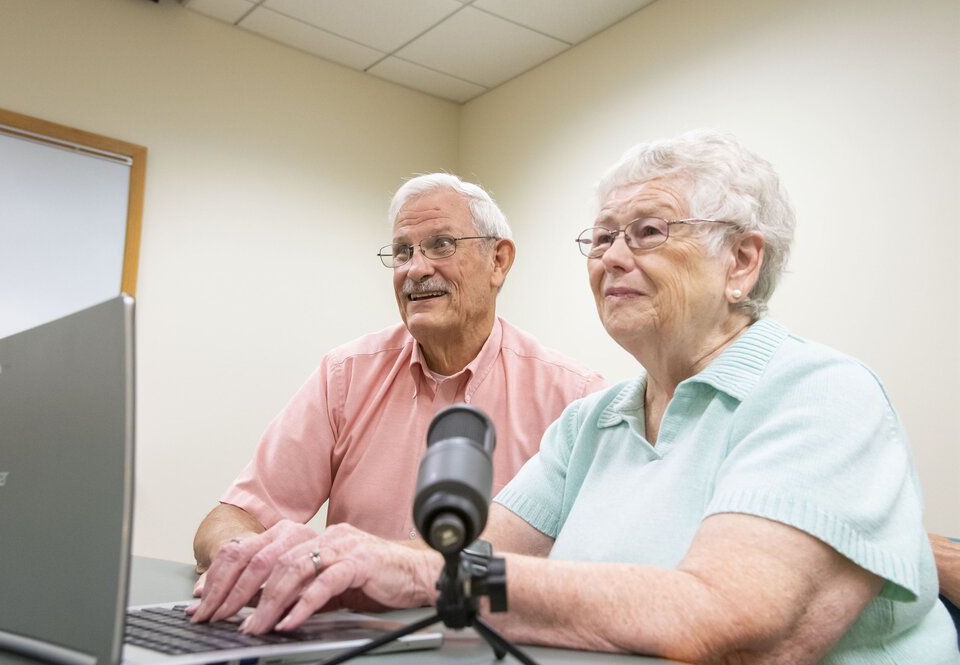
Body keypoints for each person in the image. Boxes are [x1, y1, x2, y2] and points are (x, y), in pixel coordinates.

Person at [190, 130, 959, 662]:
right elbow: (460, 555)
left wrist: (428, 574)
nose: (611, 257)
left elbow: (727, 620)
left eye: (649, 231)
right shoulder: (594, 421)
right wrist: (319, 553)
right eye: (600, 237)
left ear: (742, 262)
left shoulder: (822, 393)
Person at [192, 173, 604, 577]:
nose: (415, 269)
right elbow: (236, 515)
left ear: (498, 261)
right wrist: (245, 556)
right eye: (403, 252)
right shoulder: (345, 375)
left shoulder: (574, 397)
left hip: (490, 634)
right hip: (351, 629)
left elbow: (598, 563)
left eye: (441, 245)